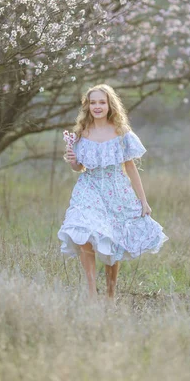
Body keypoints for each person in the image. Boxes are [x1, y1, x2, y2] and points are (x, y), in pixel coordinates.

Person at [57, 83, 169, 301]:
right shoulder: (81, 133)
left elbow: (130, 167)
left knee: (112, 244)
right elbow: (79, 167)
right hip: (88, 188)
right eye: (93, 102)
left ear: (109, 105)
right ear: (87, 106)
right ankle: (91, 294)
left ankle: (110, 294)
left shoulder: (121, 133)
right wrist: (73, 161)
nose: (97, 106)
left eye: (102, 102)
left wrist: (143, 201)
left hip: (116, 190)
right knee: (82, 231)